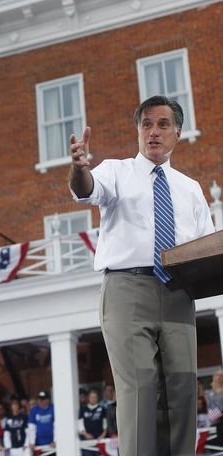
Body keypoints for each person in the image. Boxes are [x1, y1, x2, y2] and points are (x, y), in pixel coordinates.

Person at [69, 95, 214, 456]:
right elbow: (85, 189)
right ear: (138, 131)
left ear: (177, 133)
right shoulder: (115, 171)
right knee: (140, 392)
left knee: (182, 392)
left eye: (163, 124)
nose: (153, 132)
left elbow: (205, 248)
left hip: (179, 292)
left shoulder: (191, 189)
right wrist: (79, 167)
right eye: (146, 124)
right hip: (127, 290)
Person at [78, 388, 107, 456]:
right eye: (91, 397)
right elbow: (80, 424)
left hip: (100, 440)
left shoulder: (102, 409)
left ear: (98, 398)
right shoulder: (83, 409)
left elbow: (105, 424)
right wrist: (85, 434)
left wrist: (102, 435)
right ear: (88, 398)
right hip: (87, 441)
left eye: (95, 397)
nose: (93, 398)